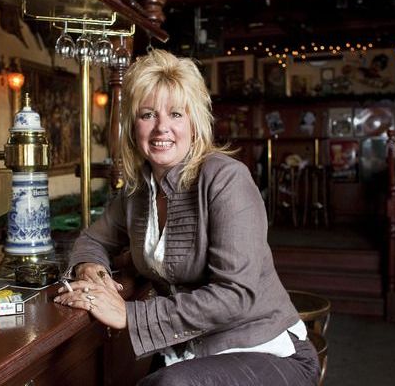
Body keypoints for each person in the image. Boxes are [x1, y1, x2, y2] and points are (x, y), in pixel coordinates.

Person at [53, 50, 319, 385]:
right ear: (132, 127)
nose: (162, 127)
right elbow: (93, 239)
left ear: (194, 122)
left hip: (266, 349)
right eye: (147, 114)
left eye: (176, 113)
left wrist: (130, 315)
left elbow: (236, 294)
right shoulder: (139, 191)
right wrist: (90, 267)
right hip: (191, 351)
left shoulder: (226, 179)